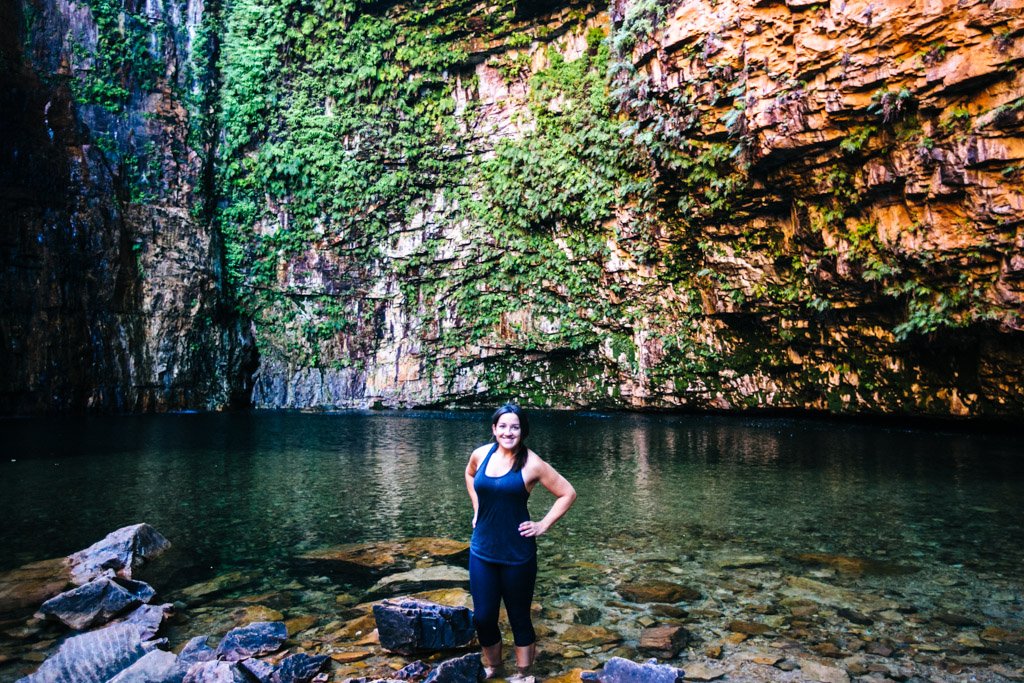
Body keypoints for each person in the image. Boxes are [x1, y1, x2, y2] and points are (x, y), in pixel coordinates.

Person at [465, 404, 577, 682]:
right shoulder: (480, 454)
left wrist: (543, 525)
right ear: (494, 429)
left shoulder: (532, 464)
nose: (508, 432)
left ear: (522, 431)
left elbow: (567, 493)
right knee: (483, 617)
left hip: (517, 554)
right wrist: (477, 507)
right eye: (502, 426)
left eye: (514, 427)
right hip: (482, 551)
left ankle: (524, 674)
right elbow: (469, 475)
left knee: (519, 617)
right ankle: (494, 668)